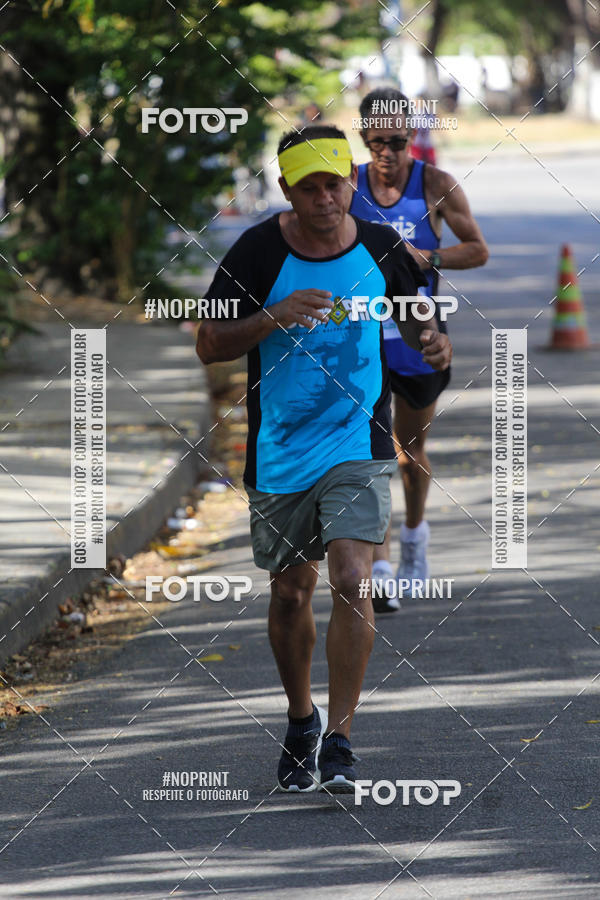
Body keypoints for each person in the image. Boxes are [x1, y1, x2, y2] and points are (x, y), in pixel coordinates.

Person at [196, 124, 452, 793]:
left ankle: (339, 738)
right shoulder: (255, 253)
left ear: (350, 180)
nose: (324, 198)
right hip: (281, 447)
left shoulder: (380, 244)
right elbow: (208, 344)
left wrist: (431, 343)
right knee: (289, 594)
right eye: (308, 187)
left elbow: (412, 314)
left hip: (357, 441)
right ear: (286, 190)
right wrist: (272, 317)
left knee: (350, 574)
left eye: (334, 183)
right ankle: (301, 718)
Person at [350, 87, 488, 612]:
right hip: (362, 338)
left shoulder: (435, 185)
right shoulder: (348, 186)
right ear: (363, 137)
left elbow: (477, 249)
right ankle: (379, 566)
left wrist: (425, 255)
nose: (388, 152)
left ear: (413, 138)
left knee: (410, 452)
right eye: (378, 141)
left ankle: (414, 542)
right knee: (370, 453)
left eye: (399, 141)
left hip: (419, 340)